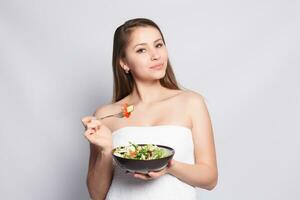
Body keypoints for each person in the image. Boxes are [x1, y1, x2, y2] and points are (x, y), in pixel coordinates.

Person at [82, 18, 218, 200]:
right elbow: (96, 195)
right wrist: (106, 150)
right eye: (141, 50)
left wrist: (169, 166)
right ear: (124, 62)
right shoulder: (105, 115)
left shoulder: (191, 103)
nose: (156, 55)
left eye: (159, 45)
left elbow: (210, 178)